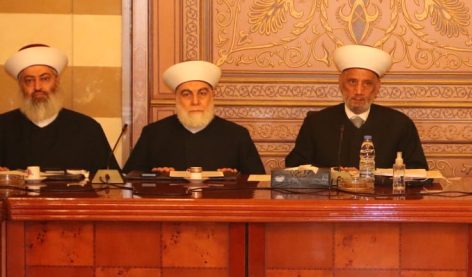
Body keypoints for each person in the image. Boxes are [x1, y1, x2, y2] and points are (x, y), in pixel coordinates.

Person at [285, 44, 428, 169]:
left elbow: (418, 171)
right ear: (340, 84)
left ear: (378, 87)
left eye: (367, 83)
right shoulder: (316, 123)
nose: (359, 91)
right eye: (352, 82)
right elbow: (294, 167)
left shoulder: (400, 124)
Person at [124, 60, 265, 174]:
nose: (195, 101)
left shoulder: (237, 135)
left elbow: (258, 183)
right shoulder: (153, 134)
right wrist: (157, 178)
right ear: (176, 97)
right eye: (186, 94)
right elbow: (130, 179)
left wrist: (234, 179)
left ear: (212, 95)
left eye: (202, 93)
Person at [0, 44, 116, 172]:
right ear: (20, 85)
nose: (37, 87)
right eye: (29, 80)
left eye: (45, 79)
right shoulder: (3, 127)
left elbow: (110, 180)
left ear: (57, 80)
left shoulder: (88, 129)